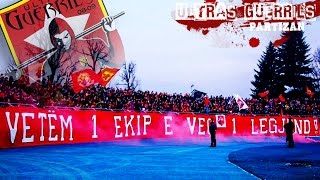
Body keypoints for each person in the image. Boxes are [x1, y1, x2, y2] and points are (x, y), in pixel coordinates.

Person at [41, 15, 125, 86]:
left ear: (70, 32)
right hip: (66, 103)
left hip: (93, 97)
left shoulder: (92, 45)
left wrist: (111, 31)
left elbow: (117, 60)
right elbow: (46, 90)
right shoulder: (50, 63)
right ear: (53, 40)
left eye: (66, 36)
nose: (63, 42)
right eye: (58, 40)